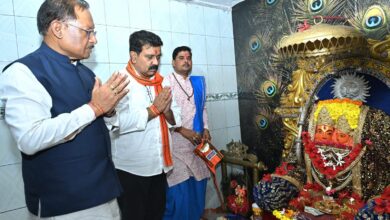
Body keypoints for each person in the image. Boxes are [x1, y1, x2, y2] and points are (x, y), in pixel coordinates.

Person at [0, 0, 129, 219]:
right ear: (57, 28)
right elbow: (30, 139)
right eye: (88, 32)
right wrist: (95, 107)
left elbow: (99, 125)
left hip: (106, 192)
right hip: (66, 204)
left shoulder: (85, 73)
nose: (94, 40)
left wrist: (108, 112)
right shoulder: (23, 72)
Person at [106, 30, 181, 220]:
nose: (155, 62)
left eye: (158, 56)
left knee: (156, 215)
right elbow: (114, 123)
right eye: (149, 57)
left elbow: (175, 118)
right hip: (132, 171)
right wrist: (153, 111)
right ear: (133, 56)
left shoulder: (161, 81)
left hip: (159, 166)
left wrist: (167, 111)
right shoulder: (119, 83)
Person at [163, 46, 211, 220]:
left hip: (196, 145)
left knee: (198, 186)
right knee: (179, 192)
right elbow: (163, 112)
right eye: (181, 57)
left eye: (188, 57)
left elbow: (203, 107)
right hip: (175, 145)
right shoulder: (165, 82)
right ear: (173, 62)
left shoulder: (196, 83)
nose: (186, 61)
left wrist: (205, 128)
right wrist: (183, 130)